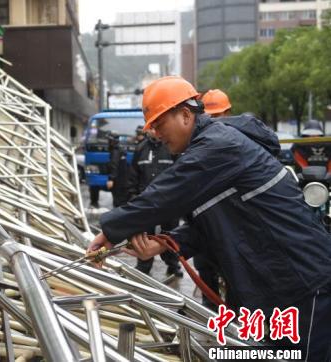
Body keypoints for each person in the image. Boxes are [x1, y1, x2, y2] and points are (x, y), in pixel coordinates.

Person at [88, 76, 331, 360]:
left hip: (301, 282)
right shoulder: (205, 153)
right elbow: (208, 224)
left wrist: (109, 230)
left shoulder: (218, 145)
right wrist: (165, 243)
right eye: (152, 126)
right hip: (270, 289)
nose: (156, 134)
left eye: (159, 123)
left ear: (185, 115)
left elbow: (164, 196)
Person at [194, 88, 234, 309]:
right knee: (207, 287)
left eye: (217, 116)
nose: (213, 122)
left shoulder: (239, 144)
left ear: (227, 114)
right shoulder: (196, 147)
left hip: (232, 231)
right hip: (204, 229)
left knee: (237, 287)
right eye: (209, 117)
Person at [128, 125, 182, 277]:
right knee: (144, 236)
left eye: (155, 128)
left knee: (170, 235)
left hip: (169, 202)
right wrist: (133, 198)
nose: (153, 131)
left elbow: (181, 173)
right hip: (146, 203)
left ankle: (173, 265)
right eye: (150, 128)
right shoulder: (140, 149)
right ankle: (143, 266)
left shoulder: (171, 146)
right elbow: (133, 176)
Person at [106, 131, 129, 207]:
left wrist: (111, 179)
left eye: (109, 140)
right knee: (123, 201)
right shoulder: (121, 149)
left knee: (118, 202)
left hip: (118, 182)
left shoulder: (115, 151)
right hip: (124, 180)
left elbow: (114, 165)